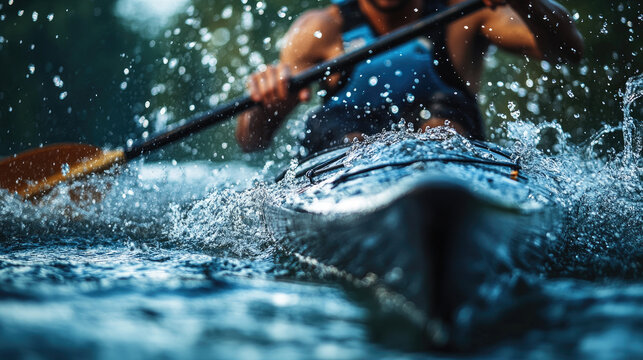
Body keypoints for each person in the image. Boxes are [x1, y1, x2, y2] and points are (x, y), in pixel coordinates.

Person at [235, 0, 583, 154]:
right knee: (345, 134)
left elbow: (568, 51)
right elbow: (252, 140)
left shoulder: (468, 12)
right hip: (344, 147)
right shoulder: (319, 31)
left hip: (445, 136)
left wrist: (526, 3)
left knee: (443, 126)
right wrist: (270, 103)